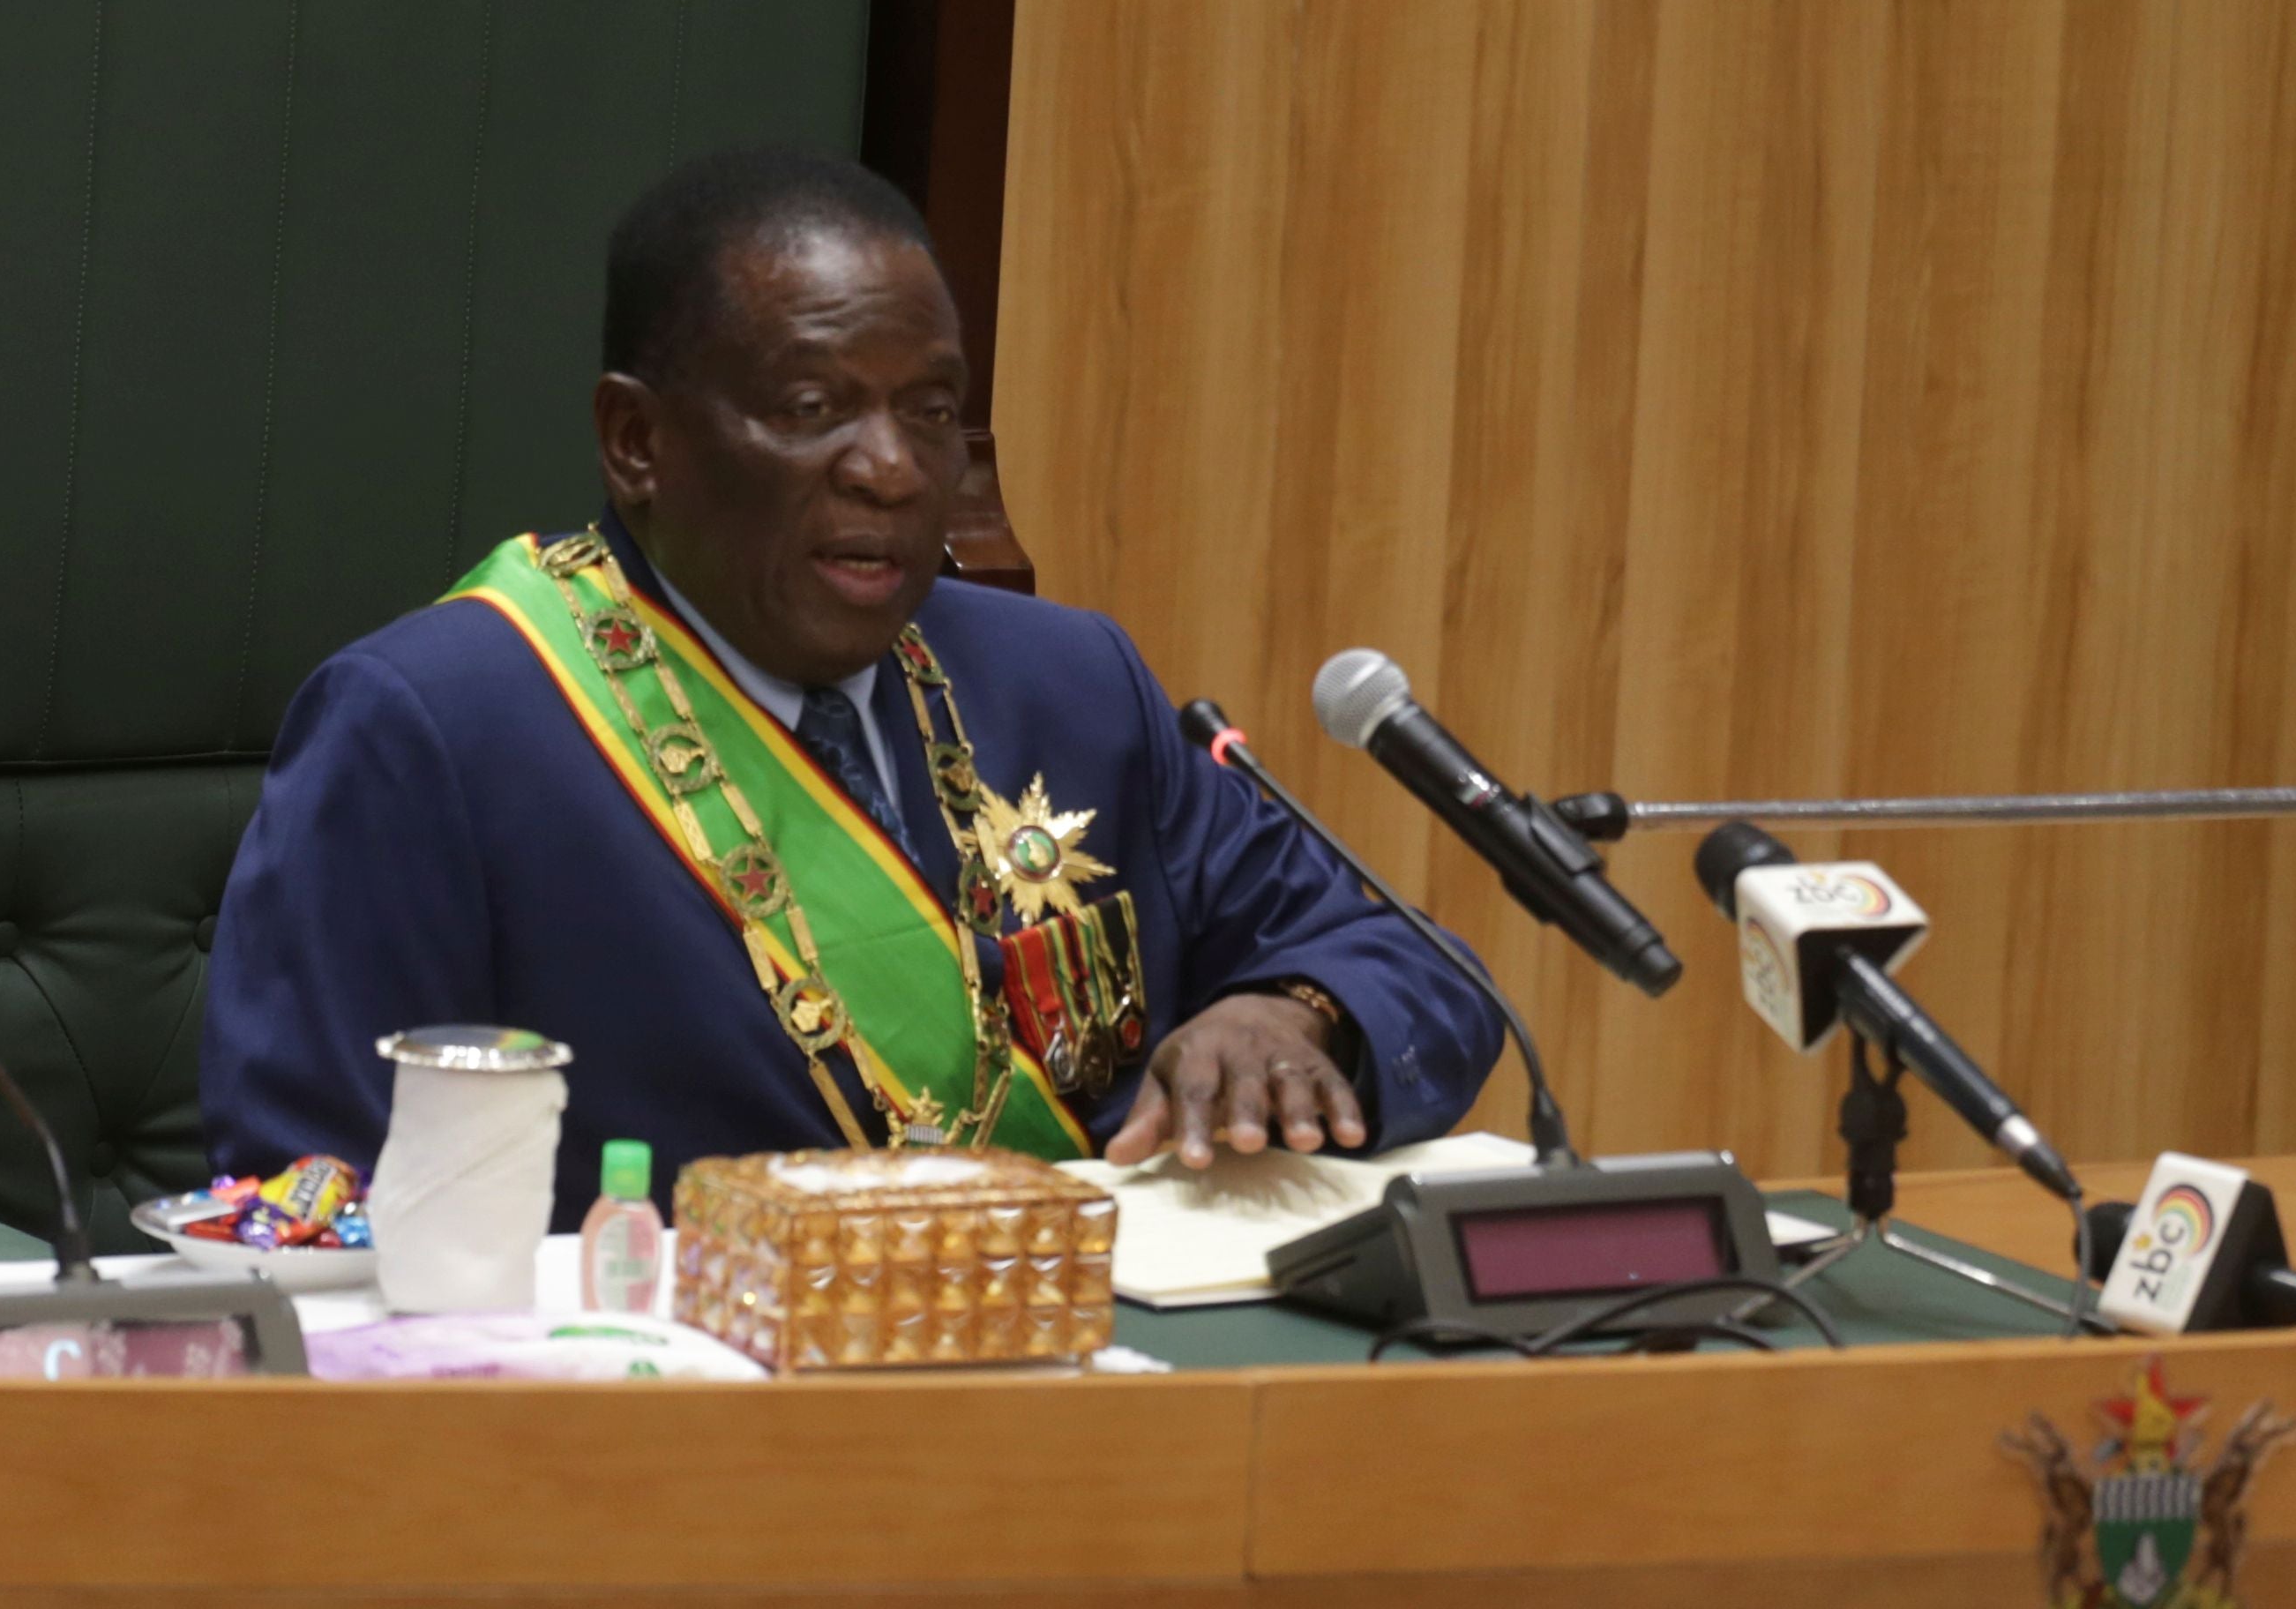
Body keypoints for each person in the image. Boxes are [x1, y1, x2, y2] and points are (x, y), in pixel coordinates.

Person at [197, 146, 1508, 1223]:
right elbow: (311, 1199)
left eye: (932, 412)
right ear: (637, 440)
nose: (890, 470)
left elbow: (1417, 970)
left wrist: (1296, 1016)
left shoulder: (1067, 680)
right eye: (817, 406)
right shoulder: (441, 725)